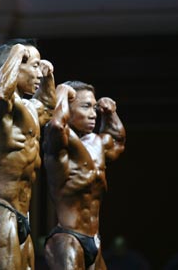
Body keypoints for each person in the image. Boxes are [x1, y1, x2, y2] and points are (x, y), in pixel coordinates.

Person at [0, 39, 56, 269]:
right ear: (17, 64)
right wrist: (18, 51)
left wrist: (48, 78)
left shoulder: (29, 108)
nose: (39, 72)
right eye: (35, 66)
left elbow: (48, 108)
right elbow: (0, 93)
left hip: (21, 216)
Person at [42, 80, 126, 269]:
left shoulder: (97, 143)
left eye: (94, 108)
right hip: (68, 239)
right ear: (67, 109)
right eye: (86, 107)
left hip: (94, 240)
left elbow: (118, 141)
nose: (93, 114)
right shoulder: (59, 144)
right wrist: (61, 94)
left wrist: (110, 113)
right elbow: (56, 126)